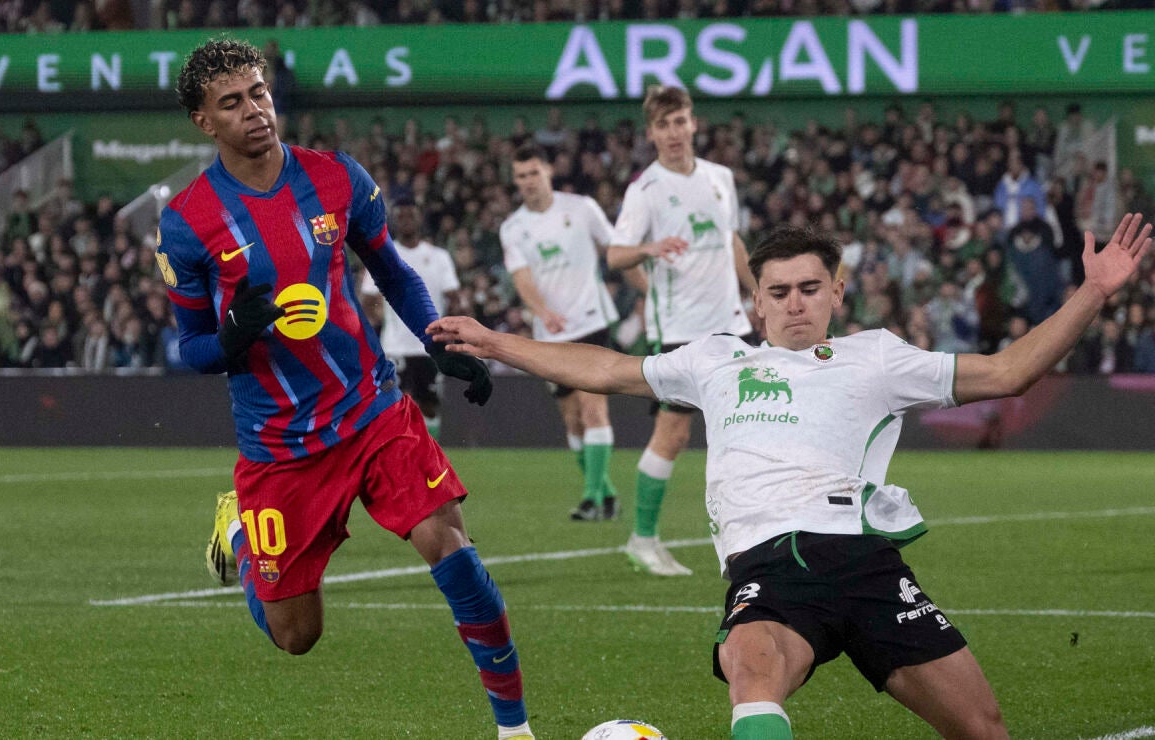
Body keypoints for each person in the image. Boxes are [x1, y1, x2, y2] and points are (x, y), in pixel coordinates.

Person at [426, 216, 1151, 739]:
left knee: (983, 728)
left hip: (866, 562)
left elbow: (1009, 371)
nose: (795, 302)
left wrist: (1093, 293)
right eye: (779, 291)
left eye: (810, 287)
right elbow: (608, 369)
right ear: (756, 302)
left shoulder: (879, 357)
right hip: (772, 559)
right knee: (752, 664)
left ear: (836, 292)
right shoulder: (715, 359)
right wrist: (497, 343)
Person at [158, 39, 533, 740]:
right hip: (280, 446)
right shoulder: (188, 221)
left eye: (260, 93)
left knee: (450, 547)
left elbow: (390, 269)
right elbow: (194, 351)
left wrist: (439, 339)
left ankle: (514, 730)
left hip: (372, 409)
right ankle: (241, 533)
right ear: (204, 122)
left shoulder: (335, 178)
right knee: (296, 636)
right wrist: (232, 337)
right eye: (232, 103)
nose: (255, 112)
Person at [605, 84, 757, 576]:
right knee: (672, 434)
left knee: (748, 430)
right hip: (679, 329)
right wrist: (649, 250)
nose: (673, 132)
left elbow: (730, 239)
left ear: (694, 123)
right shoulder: (645, 190)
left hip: (731, 325)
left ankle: (749, 537)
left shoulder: (720, 178)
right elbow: (615, 254)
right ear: (652, 133)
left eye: (680, 121)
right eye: (663, 125)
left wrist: (759, 292)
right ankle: (642, 539)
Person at [500, 144, 623, 521]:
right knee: (571, 418)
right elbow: (522, 279)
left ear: (549, 171)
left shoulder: (581, 207)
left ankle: (589, 498)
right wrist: (543, 313)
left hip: (591, 321)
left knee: (593, 406)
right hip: (549, 333)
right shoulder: (513, 228)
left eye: (533, 173)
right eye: (521, 176)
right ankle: (606, 495)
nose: (528, 182)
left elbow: (615, 247)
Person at [359, 200, 460, 439]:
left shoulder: (438, 257)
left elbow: (453, 296)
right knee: (394, 403)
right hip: (395, 346)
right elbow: (367, 298)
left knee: (430, 406)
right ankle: (401, 455)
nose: (406, 220)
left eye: (410, 215)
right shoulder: (384, 254)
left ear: (420, 219)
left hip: (431, 346)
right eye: (401, 216)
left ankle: (431, 455)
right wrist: (381, 317)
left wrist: (451, 326)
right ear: (393, 221)